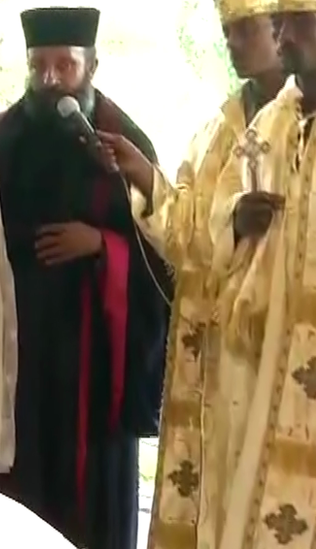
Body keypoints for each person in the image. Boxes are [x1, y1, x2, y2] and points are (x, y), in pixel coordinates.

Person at [0, 7, 172, 549]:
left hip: (95, 370)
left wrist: (103, 245)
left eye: (66, 65)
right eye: (40, 66)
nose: (52, 78)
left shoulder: (125, 143)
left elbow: (167, 254)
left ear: (92, 65)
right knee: (19, 506)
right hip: (18, 360)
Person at [103, 0, 316, 545]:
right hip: (230, 370)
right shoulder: (239, 130)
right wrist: (154, 184)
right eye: (228, 31)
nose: (237, 41)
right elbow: (190, 234)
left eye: (247, 28)